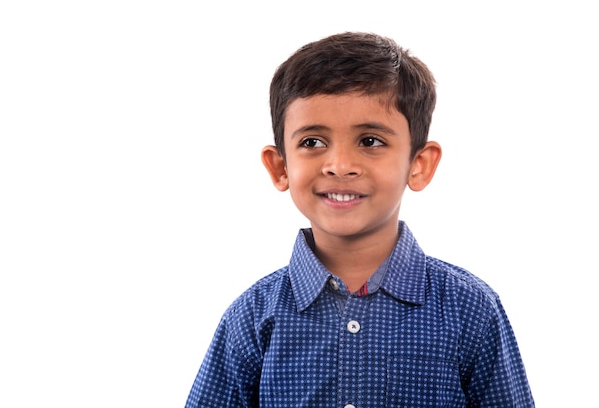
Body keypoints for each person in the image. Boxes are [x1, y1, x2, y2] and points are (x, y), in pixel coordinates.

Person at [185, 32, 534, 407]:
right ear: (280, 167)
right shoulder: (251, 318)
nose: (340, 166)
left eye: (370, 141)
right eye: (312, 142)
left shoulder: (470, 310)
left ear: (419, 165)